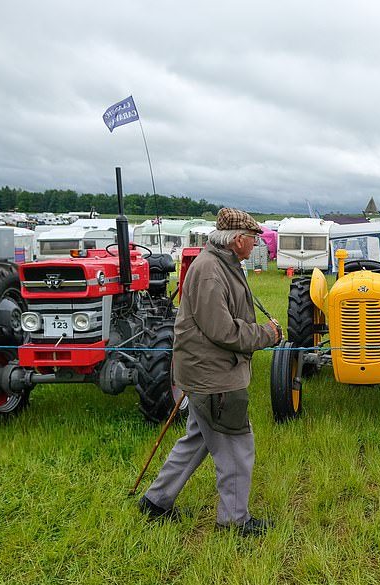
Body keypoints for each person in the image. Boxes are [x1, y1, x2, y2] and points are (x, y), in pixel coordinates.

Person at [138, 208, 281, 537]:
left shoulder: (221, 264)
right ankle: (233, 520)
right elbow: (224, 332)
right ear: (238, 240)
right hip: (214, 377)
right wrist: (268, 335)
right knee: (235, 446)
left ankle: (155, 502)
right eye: (253, 238)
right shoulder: (211, 270)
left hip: (207, 374)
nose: (257, 243)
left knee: (198, 439)